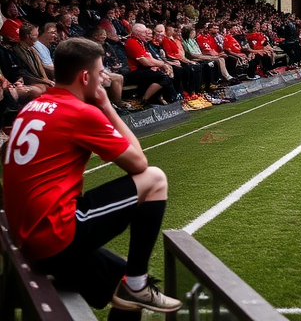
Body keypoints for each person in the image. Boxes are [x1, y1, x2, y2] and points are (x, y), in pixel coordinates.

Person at [2, 38, 182, 313]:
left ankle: (131, 285)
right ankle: (138, 284)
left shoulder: (32, 106)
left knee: (117, 275)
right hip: (50, 235)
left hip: (22, 232)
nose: (104, 80)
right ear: (85, 76)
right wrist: (107, 107)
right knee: (155, 179)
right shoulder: (80, 112)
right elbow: (139, 164)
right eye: (101, 74)